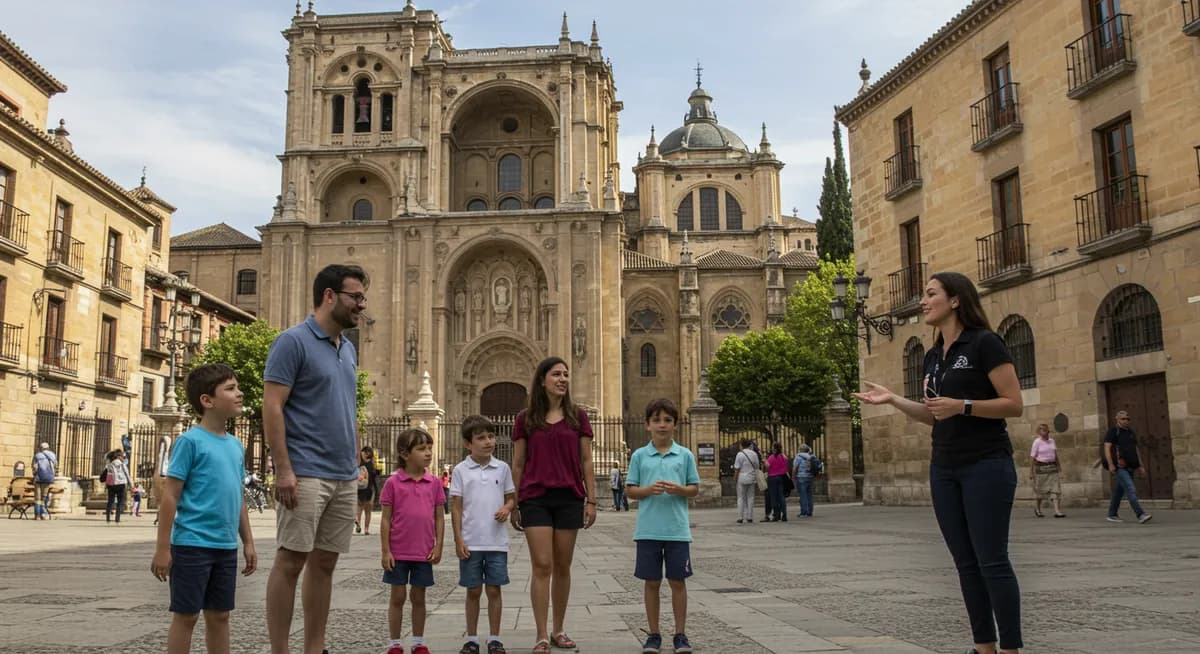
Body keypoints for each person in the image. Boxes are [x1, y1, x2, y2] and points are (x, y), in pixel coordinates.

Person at [853, 271, 1025, 654]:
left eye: (931, 294)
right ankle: (984, 647)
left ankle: (1011, 649)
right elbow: (935, 414)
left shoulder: (985, 344)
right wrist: (894, 399)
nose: (923, 301)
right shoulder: (933, 356)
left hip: (986, 464)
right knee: (965, 563)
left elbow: (1013, 405)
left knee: (992, 561)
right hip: (944, 468)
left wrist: (963, 405)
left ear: (956, 300)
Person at [263, 263, 367, 654]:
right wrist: (284, 469)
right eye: (355, 297)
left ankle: (314, 647)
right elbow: (272, 406)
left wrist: (356, 450)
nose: (361, 305)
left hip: (342, 475)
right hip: (304, 472)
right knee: (291, 562)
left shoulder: (348, 348)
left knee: (325, 565)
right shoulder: (292, 342)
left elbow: (347, 403)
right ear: (329, 296)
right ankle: (280, 650)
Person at [150, 363, 257, 654]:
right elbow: (170, 496)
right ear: (207, 401)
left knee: (220, 616)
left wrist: (247, 541)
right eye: (231, 388)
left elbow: (237, 496)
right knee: (186, 616)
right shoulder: (189, 442)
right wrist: (163, 548)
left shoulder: (236, 446)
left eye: (237, 387)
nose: (240, 393)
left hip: (224, 546)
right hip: (191, 544)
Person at [511, 356, 597, 654]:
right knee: (542, 565)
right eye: (556, 374)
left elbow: (586, 460)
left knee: (563, 566)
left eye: (566, 374)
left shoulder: (577, 417)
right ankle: (541, 634)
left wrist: (592, 499)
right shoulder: (525, 418)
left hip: (569, 497)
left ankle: (559, 629)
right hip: (534, 497)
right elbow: (518, 462)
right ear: (542, 379)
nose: (562, 379)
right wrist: (514, 501)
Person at [625, 399, 700, 654]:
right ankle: (654, 634)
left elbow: (694, 489)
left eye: (667, 420)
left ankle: (680, 634)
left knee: (678, 582)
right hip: (648, 530)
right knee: (652, 583)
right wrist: (648, 490)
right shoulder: (639, 456)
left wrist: (680, 489)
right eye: (657, 420)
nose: (662, 425)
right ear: (647, 425)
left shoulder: (685, 455)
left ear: (675, 425)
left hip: (677, 530)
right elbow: (630, 491)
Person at [450, 415, 516, 654]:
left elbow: (511, 497)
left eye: (491, 436)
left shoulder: (503, 467)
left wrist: (507, 508)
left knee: (494, 589)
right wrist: (458, 539)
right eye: (481, 438)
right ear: (468, 444)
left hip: (497, 542)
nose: (488, 441)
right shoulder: (460, 470)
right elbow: (456, 506)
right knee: (473, 590)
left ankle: (495, 638)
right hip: (471, 541)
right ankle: (472, 638)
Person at [379, 428, 444, 654]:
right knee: (397, 596)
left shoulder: (434, 483)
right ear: (405, 454)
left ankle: (418, 641)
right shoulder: (393, 483)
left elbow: (439, 516)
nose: (428, 453)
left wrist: (439, 545)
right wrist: (385, 550)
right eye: (421, 449)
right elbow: (386, 519)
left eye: (429, 449)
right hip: (398, 551)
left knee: (419, 596)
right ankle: (395, 643)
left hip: (423, 551)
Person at [1104, 410, 1152, 524]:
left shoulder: (1130, 432)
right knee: (1130, 489)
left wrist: (1140, 465)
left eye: (1127, 418)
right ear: (1117, 419)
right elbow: (1107, 448)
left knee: (1119, 491)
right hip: (1120, 467)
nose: (1126, 421)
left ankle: (1112, 514)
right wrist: (1110, 464)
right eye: (1123, 419)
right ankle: (1140, 514)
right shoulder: (1113, 432)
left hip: (1131, 466)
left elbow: (1136, 449)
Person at [1029, 424, 1064, 518]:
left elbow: (1055, 455)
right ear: (1040, 432)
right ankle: (1037, 508)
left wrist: (1059, 467)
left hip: (1052, 468)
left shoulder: (1052, 441)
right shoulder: (1037, 442)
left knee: (1055, 489)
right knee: (1040, 491)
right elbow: (1032, 458)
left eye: (1047, 431)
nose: (1046, 433)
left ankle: (1057, 511)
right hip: (1041, 469)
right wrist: (1031, 472)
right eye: (1044, 431)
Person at [732, 439, 760, 525]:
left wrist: (735, 478)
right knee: (750, 497)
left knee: (741, 497)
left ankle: (740, 517)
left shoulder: (740, 454)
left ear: (742, 445)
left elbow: (737, 468)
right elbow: (757, 466)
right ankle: (750, 517)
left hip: (742, 477)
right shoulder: (754, 453)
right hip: (751, 477)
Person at [356, 446, 380, 535]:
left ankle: (365, 528)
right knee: (361, 508)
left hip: (369, 489)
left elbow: (374, 478)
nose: (366, 454)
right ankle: (359, 524)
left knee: (366, 509)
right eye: (365, 452)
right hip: (362, 489)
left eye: (367, 453)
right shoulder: (359, 463)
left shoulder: (368, 464)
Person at [104, 449, 132, 524]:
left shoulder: (109, 465)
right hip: (121, 484)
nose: (123, 458)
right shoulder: (122, 465)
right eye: (122, 456)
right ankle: (117, 518)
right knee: (120, 502)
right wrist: (131, 486)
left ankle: (108, 518)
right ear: (119, 457)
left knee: (110, 501)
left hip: (112, 485)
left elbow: (106, 475)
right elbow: (127, 475)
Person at [765, 441, 790, 522]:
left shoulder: (771, 457)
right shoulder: (784, 457)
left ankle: (776, 515)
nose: (771, 448)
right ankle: (784, 514)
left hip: (772, 478)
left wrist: (764, 463)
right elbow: (786, 467)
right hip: (782, 477)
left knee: (773, 497)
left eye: (772, 447)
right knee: (781, 496)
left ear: (774, 448)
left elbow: (767, 467)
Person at [32, 442, 57, 520]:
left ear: (41, 448)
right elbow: (55, 465)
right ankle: (43, 513)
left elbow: (34, 467)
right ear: (48, 448)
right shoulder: (53, 455)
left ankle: (37, 516)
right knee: (44, 497)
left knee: (37, 498)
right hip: (47, 478)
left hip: (38, 478)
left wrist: (34, 474)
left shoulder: (37, 455)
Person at [792, 444, 817, 518]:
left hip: (801, 477)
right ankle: (810, 511)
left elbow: (795, 468)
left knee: (803, 495)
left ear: (800, 450)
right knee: (809, 495)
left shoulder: (798, 456)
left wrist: (793, 477)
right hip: (810, 477)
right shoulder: (812, 456)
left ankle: (804, 512)